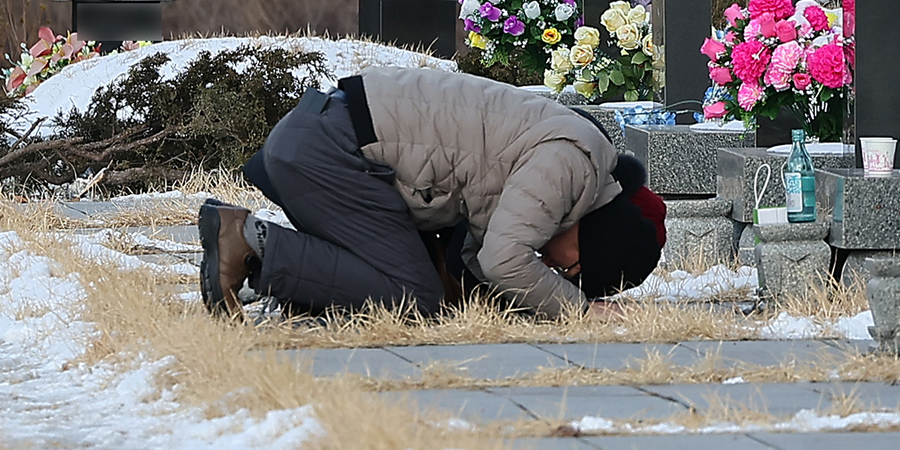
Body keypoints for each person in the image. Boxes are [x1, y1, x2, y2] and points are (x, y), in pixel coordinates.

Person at [198, 67, 666, 320]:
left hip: (327, 140)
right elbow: (504, 260)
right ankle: (250, 244)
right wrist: (579, 311)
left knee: (421, 286)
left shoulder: (572, 156)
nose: (556, 268)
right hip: (334, 151)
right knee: (413, 298)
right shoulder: (572, 162)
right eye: (571, 268)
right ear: (595, 237)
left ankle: (299, 289)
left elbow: (473, 262)